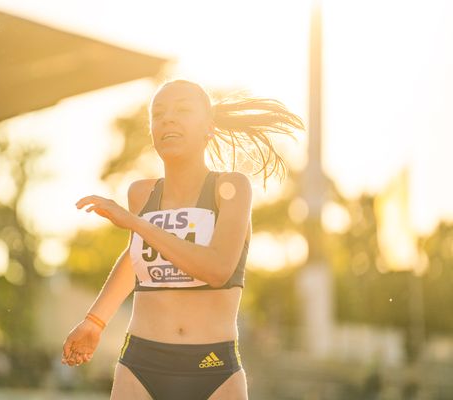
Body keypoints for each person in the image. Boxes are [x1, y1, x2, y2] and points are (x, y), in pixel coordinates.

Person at [61, 79, 303, 399]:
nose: (168, 119)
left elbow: (218, 269)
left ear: (209, 128)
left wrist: (136, 223)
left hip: (213, 367)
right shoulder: (141, 192)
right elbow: (134, 257)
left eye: (183, 110)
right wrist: (94, 321)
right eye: (158, 113)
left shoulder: (230, 188)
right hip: (140, 365)